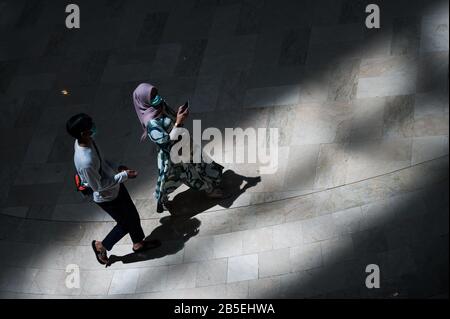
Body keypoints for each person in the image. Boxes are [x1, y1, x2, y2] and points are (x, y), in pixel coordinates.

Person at [66, 113, 160, 265]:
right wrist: (123, 175)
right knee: (125, 224)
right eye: (91, 126)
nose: (94, 127)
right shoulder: (85, 161)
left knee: (132, 216)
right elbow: (97, 187)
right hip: (107, 197)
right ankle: (101, 246)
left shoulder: (87, 140)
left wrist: (118, 168)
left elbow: (102, 161)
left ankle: (138, 244)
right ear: (83, 133)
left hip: (114, 185)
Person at [132, 83, 225, 213]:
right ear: (144, 101)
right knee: (175, 176)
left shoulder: (161, 105)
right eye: (152, 96)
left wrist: (179, 115)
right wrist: (179, 122)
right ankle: (164, 199)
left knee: (198, 165)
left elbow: (173, 118)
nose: (157, 98)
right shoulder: (151, 124)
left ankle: (210, 188)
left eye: (156, 93)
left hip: (185, 144)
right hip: (173, 154)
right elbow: (166, 142)